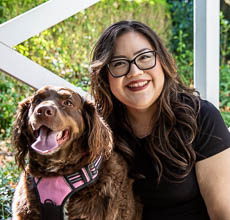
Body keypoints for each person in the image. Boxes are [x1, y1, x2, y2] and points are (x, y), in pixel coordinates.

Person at [90, 20, 230, 219]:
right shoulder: (97, 130)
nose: (135, 72)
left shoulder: (201, 118)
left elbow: (223, 213)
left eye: (145, 57)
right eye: (119, 63)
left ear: (162, 61)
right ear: (105, 75)